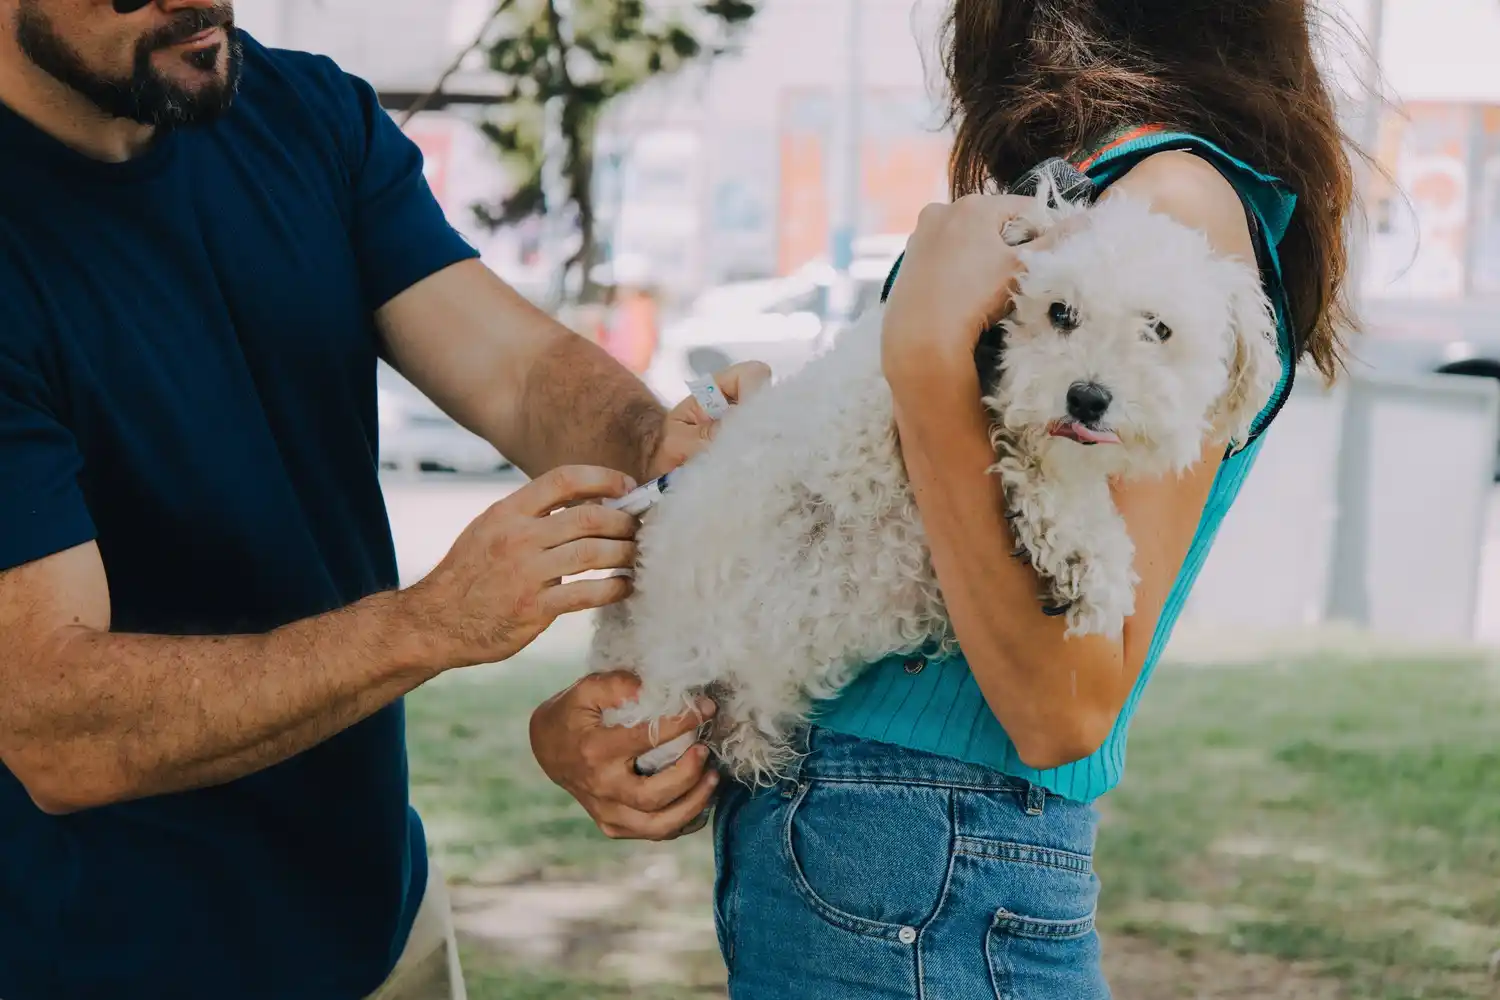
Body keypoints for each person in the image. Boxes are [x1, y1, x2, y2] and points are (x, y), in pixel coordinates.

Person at [547, 0, 1355, 997]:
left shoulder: (1172, 201)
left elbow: (1065, 703)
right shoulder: (1080, 191)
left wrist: (929, 357)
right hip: (863, 828)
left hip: (927, 844)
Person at [0, 2, 763, 999]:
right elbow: (58, 727)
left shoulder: (305, 112)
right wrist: (431, 623)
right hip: (111, 961)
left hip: (379, 924)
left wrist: (656, 443)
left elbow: (517, 371)